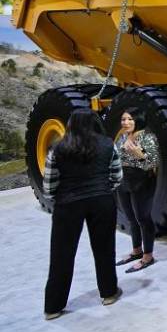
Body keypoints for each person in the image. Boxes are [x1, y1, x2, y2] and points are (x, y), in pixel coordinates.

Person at [42, 109, 123, 320]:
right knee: (104, 249)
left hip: (68, 205)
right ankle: (108, 293)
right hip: (101, 201)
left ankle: (53, 307)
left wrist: (61, 197)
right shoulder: (108, 144)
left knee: (61, 255)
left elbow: (49, 186)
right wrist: (103, 190)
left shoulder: (58, 148)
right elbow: (116, 176)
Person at [114, 108, 160, 273]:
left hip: (142, 181)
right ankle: (136, 251)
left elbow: (153, 164)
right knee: (130, 218)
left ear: (138, 120)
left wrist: (138, 154)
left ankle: (148, 256)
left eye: (130, 119)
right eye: (123, 119)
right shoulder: (121, 138)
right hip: (123, 181)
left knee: (143, 218)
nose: (125, 122)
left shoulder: (148, 137)